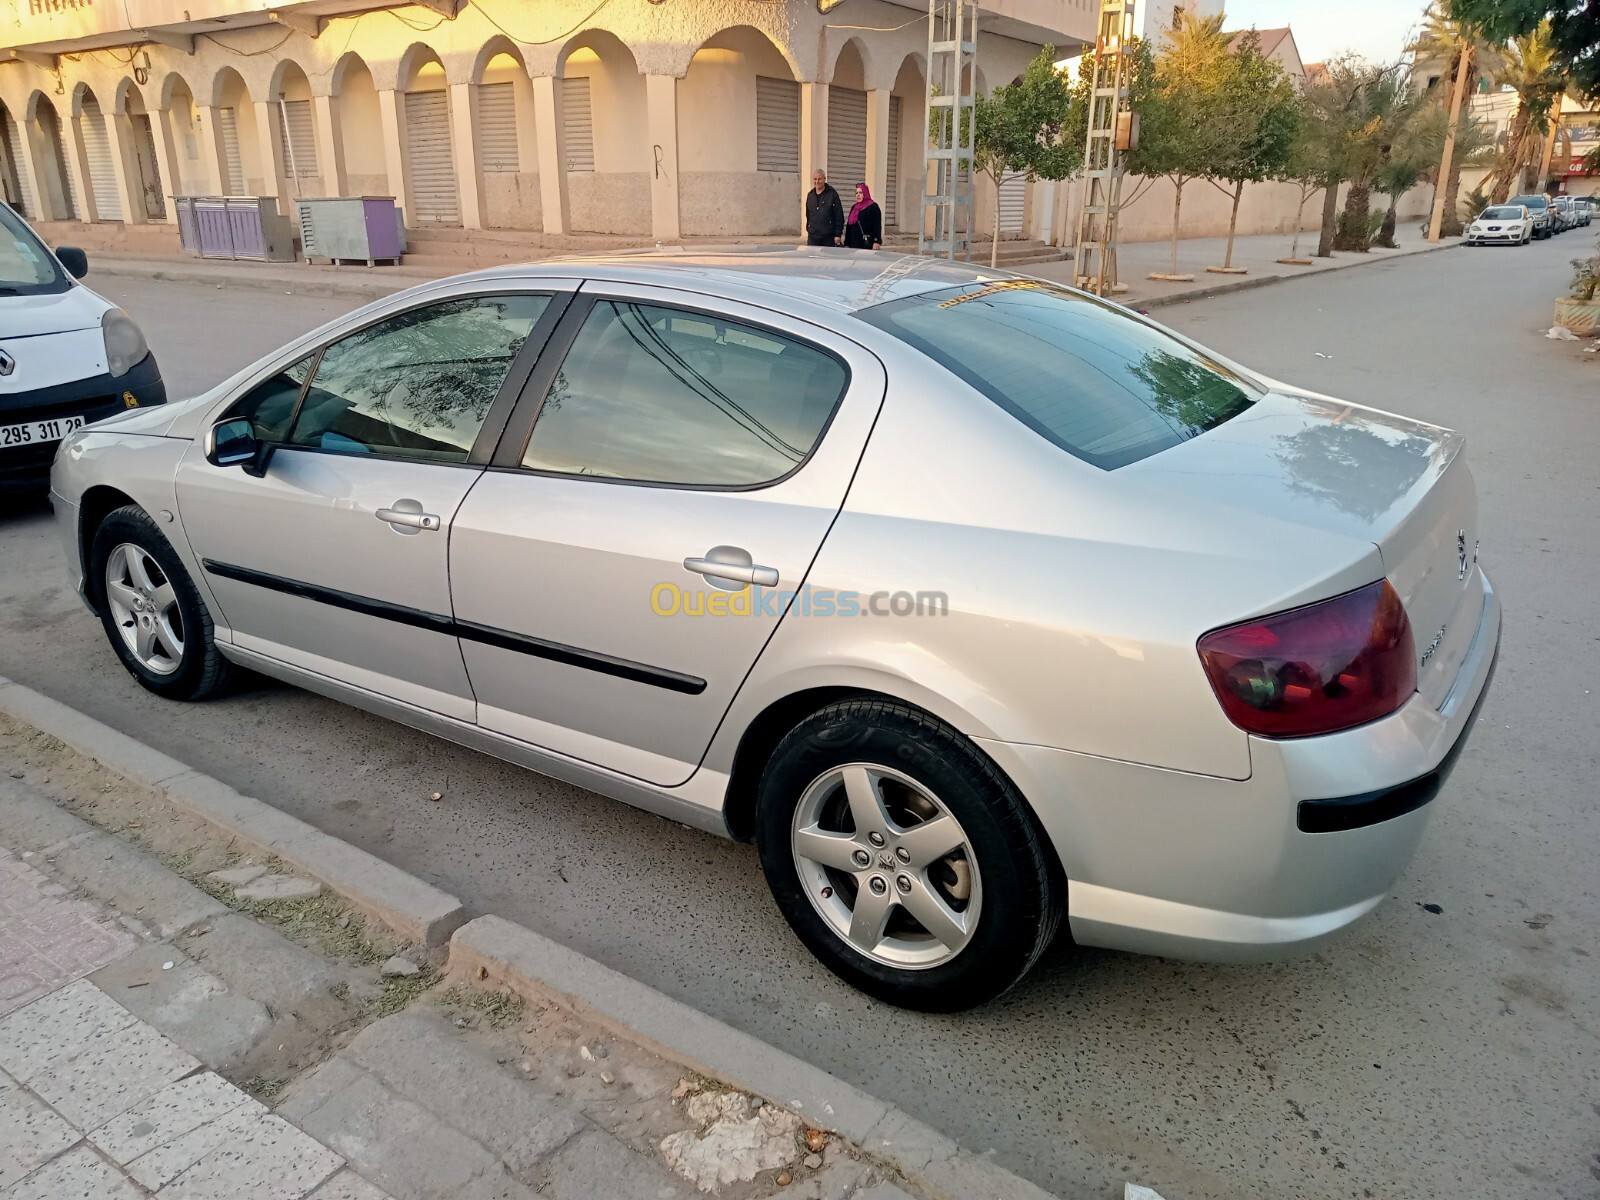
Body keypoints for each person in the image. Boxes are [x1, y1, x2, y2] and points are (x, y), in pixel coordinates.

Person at [804, 169, 844, 247]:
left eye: (819, 179)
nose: (817, 182)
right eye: (815, 179)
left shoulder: (832, 194)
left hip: (828, 237)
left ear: (824, 179)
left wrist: (838, 234)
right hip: (813, 237)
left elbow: (839, 215)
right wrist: (809, 229)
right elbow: (808, 215)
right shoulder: (810, 195)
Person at [843, 183, 882, 250]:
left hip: (866, 243)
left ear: (865, 193)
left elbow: (877, 225)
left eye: (860, 193)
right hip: (853, 243)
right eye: (856, 193)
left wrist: (876, 241)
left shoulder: (873, 207)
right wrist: (846, 243)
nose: (858, 195)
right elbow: (849, 226)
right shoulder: (854, 207)